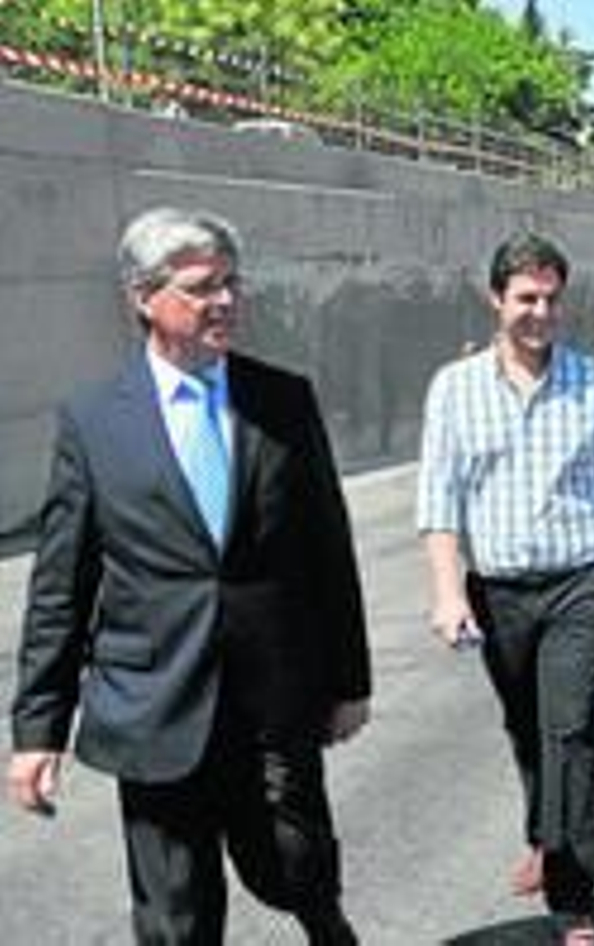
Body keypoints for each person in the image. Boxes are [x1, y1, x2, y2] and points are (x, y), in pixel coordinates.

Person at [7, 207, 371, 944]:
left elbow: (327, 551)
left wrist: (349, 681)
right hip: (152, 705)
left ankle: (326, 924)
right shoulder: (93, 421)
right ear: (144, 297)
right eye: (204, 287)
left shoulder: (283, 401)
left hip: (272, 697)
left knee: (295, 868)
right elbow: (61, 585)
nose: (227, 301)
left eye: (232, 283)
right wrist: (37, 729)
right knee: (176, 917)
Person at [416, 231, 594, 945]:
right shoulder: (454, 388)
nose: (540, 311)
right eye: (526, 298)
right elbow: (439, 499)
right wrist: (449, 592)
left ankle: (572, 892)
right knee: (527, 729)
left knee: (570, 730)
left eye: (551, 298)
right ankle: (546, 834)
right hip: (499, 592)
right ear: (496, 300)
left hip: (583, 578)